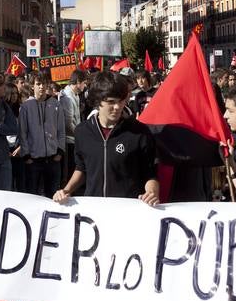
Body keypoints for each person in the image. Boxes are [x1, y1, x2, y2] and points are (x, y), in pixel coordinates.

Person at [53, 71, 159, 203]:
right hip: (94, 210)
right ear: (97, 101)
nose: (117, 107)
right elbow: (82, 168)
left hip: (128, 210)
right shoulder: (82, 132)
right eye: (111, 102)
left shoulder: (140, 132)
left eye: (121, 101)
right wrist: (66, 190)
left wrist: (152, 192)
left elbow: (150, 174)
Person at [19, 72, 66, 197]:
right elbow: (22, 133)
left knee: (53, 195)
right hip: (33, 160)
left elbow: (61, 130)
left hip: (53, 158)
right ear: (32, 86)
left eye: (44, 83)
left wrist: (60, 151)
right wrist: (26, 156)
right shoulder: (26, 107)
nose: (41, 87)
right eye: (38, 84)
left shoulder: (56, 104)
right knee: (32, 196)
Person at [59, 69, 87, 181]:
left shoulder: (75, 95)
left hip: (74, 139)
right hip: (69, 141)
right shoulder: (68, 98)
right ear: (78, 82)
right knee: (69, 172)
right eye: (84, 83)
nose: (85, 86)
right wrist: (79, 135)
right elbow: (68, 123)